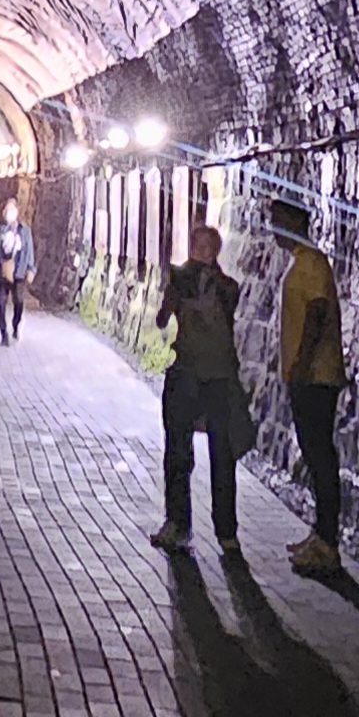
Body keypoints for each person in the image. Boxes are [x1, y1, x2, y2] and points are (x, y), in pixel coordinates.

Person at [149, 222, 245, 555]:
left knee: (223, 455)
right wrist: (172, 297)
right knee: (177, 451)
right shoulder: (179, 280)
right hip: (187, 372)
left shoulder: (228, 287)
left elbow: (225, 315)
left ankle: (227, 531)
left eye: (207, 246)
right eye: (197, 246)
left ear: (216, 251)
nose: (202, 252)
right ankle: (177, 522)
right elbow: (162, 319)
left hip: (218, 378)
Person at [272, 194, 346, 575]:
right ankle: (320, 534)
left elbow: (317, 311)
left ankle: (328, 544)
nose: (273, 230)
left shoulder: (313, 262)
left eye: (277, 221)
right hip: (306, 375)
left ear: (293, 223)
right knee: (315, 455)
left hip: (316, 377)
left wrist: (301, 363)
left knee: (320, 457)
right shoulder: (301, 261)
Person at [0, 195, 36, 342]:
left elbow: (29, 249)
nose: (9, 212)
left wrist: (31, 268)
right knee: (1, 302)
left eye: (12, 209)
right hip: (2, 270)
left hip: (19, 270)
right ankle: (3, 333)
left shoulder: (24, 230)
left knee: (19, 301)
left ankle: (15, 324)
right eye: (7, 210)